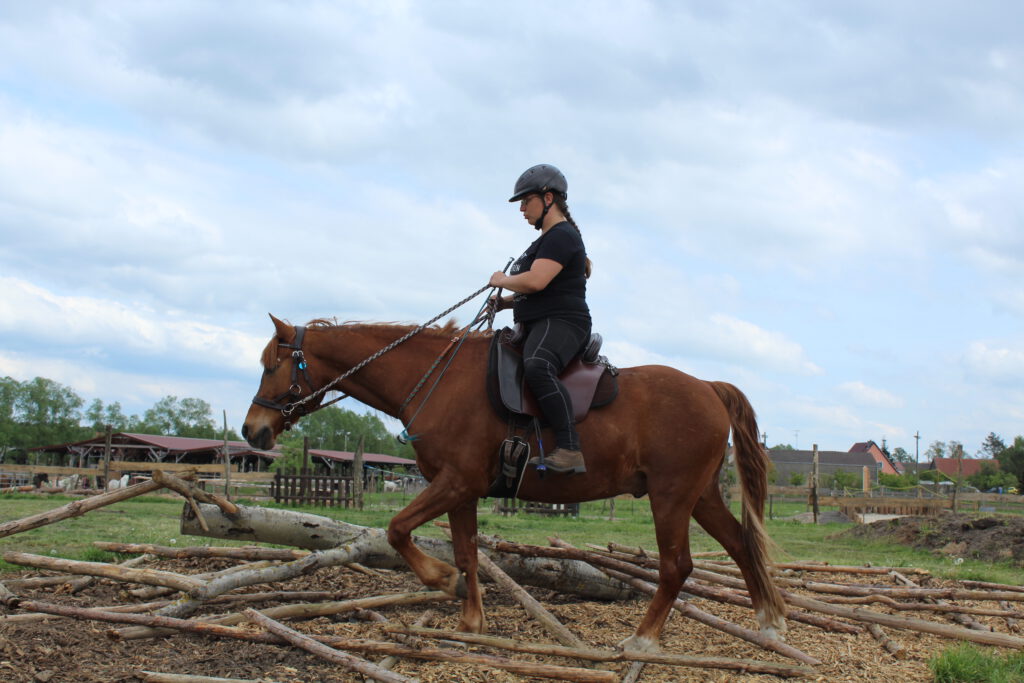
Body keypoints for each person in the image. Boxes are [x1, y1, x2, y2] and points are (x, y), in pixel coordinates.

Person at [488, 164, 592, 474]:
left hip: (564, 323)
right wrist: (505, 303)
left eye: (525, 201)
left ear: (548, 198)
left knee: (537, 365)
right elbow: (534, 289)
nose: (521, 209)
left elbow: (536, 282)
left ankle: (570, 449)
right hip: (540, 320)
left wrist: (502, 279)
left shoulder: (562, 236)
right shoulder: (544, 241)